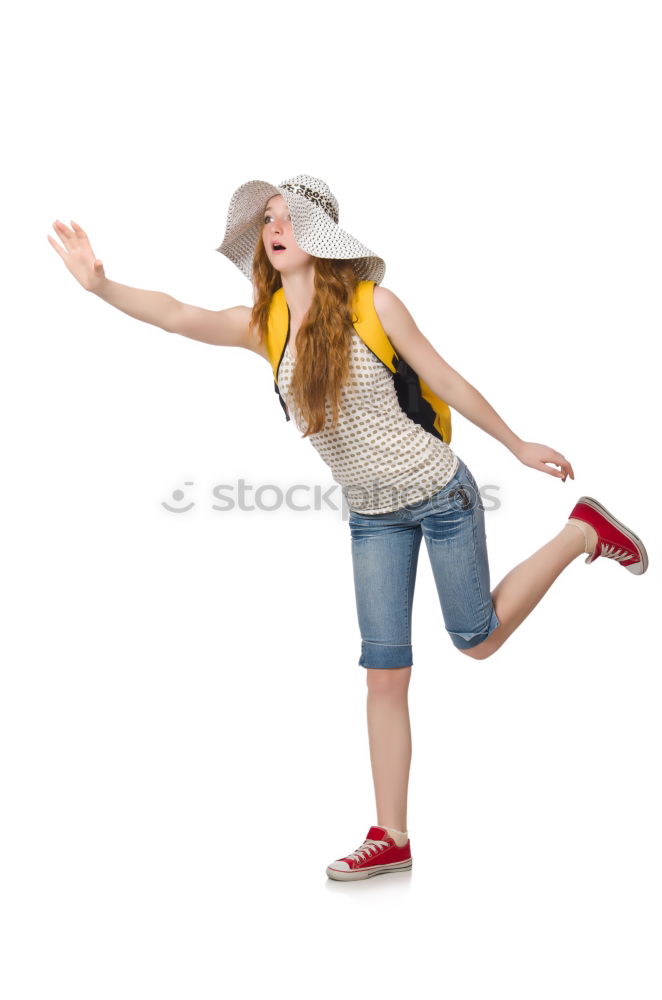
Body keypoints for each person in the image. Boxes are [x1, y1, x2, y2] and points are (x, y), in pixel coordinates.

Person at [48, 173, 649, 883]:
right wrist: (101, 286)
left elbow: (447, 381)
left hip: (439, 493)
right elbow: (178, 315)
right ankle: (390, 836)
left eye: (291, 218)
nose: (276, 228)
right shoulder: (264, 327)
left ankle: (581, 531)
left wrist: (517, 445)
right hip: (372, 517)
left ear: (323, 236)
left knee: (477, 639)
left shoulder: (375, 306)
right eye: (268, 219)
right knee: (384, 674)